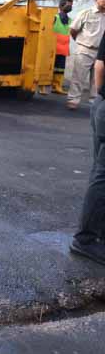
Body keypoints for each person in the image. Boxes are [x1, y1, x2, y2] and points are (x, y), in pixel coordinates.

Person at [70, 30, 105, 265]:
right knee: (102, 176)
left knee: (99, 172)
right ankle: (85, 239)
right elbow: (100, 66)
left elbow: (101, 65)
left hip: (102, 105)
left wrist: (101, 97)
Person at [66, 0, 105, 110]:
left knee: (98, 79)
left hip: (102, 52)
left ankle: (95, 101)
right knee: (79, 77)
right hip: (85, 49)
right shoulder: (86, 13)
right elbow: (73, 30)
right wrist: (81, 42)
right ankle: (73, 100)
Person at [40, 0, 73, 95]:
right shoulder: (55, 17)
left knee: (60, 69)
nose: (70, 6)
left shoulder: (70, 20)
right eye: (69, 4)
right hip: (52, 47)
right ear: (61, 5)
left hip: (63, 48)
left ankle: (57, 86)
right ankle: (42, 87)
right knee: (47, 67)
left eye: (71, 5)